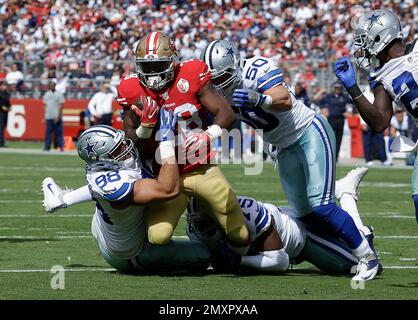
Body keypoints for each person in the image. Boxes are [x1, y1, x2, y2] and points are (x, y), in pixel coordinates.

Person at [43, 32, 251, 256]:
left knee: (239, 232)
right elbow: (129, 144)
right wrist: (145, 129)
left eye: (158, 65)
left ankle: (239, 256)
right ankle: (197, 228)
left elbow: (226, 113)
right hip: (163, 173)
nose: (152, 73)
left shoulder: (191, 73)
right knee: (157, 236)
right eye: (147, 66)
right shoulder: (132, 89)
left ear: (172, 62)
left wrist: (207, 135)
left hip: (198, 166)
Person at [201, 39, 379, 281]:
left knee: (322, 206)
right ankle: (358, 226)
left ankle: (369, 259)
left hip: (308, 132)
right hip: (284, 148)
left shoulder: (256, 69)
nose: (219, 85)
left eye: (223, 77)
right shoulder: (219, 92)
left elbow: (283, 99)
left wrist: (257, 98)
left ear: (235, 65)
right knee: (306, 217)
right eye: (215, 80)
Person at [42, 122, 211, 274]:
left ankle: (64, 199)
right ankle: (195, 233)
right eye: (118, 149)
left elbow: (101, 186)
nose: (126, 148)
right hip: (130, 254)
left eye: (121, 143)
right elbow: (168, 190)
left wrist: (145, 126)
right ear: (103, 160)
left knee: (110, 194)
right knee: (204, 254)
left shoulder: (100, 169)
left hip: (106, 231)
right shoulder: (115, 185)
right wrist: (167, 143)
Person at [187, 167, 382, 276]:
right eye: (198, 221)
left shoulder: (248, 213)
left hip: (301, 238)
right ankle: (346, 197)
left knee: (361, 265)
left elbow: (280, 261)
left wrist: (240, 261)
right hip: (287, 237)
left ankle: (347, 196)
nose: (201, 226)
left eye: (207, 220)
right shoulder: (194, 228)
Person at [334, 9, 418, 223]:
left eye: (366, 41)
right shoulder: (380, 76)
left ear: (382, 35)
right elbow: (380, 122)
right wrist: (353, 87)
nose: (362, 48)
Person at [318, 82, 353, 161]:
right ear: (334, 88)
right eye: (336, 88)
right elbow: (320, 102)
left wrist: (349, 111)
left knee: (339, 139)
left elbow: (353, 103)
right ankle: (329, 155)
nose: (337, 90)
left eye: (339, 88)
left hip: (340, 119)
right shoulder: (329, 96)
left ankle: (335, 157)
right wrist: (323, 109)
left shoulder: (344, 97)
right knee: (330, 137)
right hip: (331, 119)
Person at [43, 81, 65, 151]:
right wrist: (45, 115)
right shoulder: (46, 94)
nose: (51, 86)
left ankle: (61, 146)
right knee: (48, 133)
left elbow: (61, 106)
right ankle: (47, 146)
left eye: (52, 85)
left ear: (54, 86)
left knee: (59, 133)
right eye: (50, 85)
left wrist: (58, 116)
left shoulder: (59, 94)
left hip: (56, 116)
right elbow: (44, 105)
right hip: (49, 116)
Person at [0, 82, 11, 147]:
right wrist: (4, 108)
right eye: (3, 85)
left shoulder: (6, 93)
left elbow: (7, 101)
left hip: (5, 112)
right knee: (1, 127)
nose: (5, 86)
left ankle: (1, 141)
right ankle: (1, 142)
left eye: (5, 85)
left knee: (3, 126)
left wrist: (9, 106)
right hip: (1, 111)